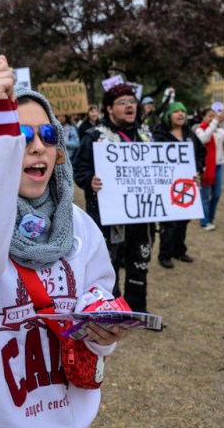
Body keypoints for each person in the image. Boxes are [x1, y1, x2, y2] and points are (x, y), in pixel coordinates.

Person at [0, 56, 126, 427]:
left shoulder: (79, 225)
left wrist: (103, 333)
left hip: (63, 415)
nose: (36, 146)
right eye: (19, 135)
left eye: (48, 134)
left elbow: (97, 300)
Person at [74, 84, 153, 312]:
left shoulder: (146, 136)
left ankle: (137, 309)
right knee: (109, 265)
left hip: (140, 216)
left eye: (132, 101)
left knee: (139, 262)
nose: (130, 106)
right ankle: (113, 312)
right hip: (108, 217)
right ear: (109, 108)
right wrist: (90, 181)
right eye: (123, 102)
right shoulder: (94, 136)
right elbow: (79, 169)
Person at [152, 102, 205, 268]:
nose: (181, 114)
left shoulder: (190, 134)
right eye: (176, 112)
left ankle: (179, 250)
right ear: (169, 116)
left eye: (183, 111)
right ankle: (165, 254)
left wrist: (196, 169)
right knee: (169, 222)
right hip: (166, 185)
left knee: (183, 220)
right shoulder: (159, 135)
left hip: (186, 185)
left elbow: (201, 153)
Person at [195, 107, 224, 231]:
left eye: (214, 116)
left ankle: (210, 217)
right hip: (205, 166)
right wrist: (214, 123)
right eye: (210, 116)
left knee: (216, 195)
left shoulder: (219, 131)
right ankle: (205, 221)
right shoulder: (199, 130)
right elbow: (205, 139)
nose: (213, 119)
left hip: (218, 165)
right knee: (205, 195)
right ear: (203, 117)